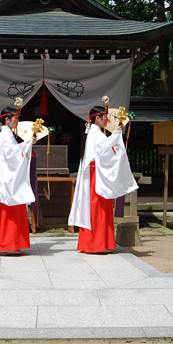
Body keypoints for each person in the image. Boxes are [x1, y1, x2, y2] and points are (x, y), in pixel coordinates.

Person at [68, 105, 138, 253]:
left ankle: (99, 243)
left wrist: (115, 135)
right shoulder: (95, 133)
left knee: (100, 207)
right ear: (97, 118)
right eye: (104, 117)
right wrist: (116, 134)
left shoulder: (95, 133)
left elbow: (104, 149)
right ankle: (95, 244)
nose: (106, 120)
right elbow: (104, 149)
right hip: (96, 176)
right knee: (97, 208)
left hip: (97, 174)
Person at [0, 106, 36, 255]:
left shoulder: (7, 134)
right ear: (7, 120)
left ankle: (12, 244)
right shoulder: (5, 135)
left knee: (14, 209)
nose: (17, 122)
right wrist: (27, 144)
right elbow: (11, 153)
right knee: (8, 210)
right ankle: (5, 245)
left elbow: (13, 153)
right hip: (5, 180)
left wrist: (28, 143)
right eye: (16, 118)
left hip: (9, 177)